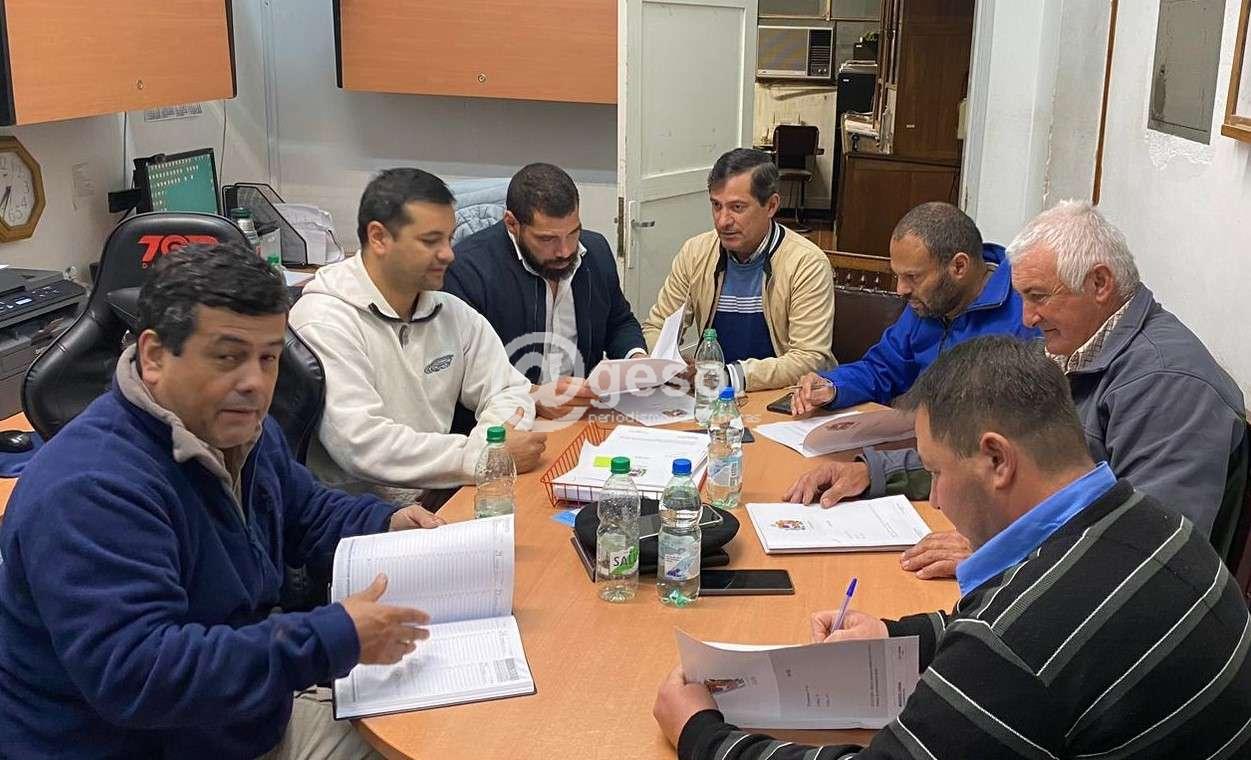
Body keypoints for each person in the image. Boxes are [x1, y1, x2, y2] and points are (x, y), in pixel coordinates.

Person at [655, 336, 1251, 760]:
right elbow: (1057, 638)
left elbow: (1018, 647)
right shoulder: (1154, 524)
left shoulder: (1015, 643)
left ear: (996, 459)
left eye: (937, 472)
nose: (935, 498)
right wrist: (899, 637)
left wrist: (703, 735)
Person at [0, 243, 447, 759]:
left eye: (268, 358)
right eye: (228, 357)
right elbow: (140, 676)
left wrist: (388, 522)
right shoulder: (92, 489)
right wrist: (331, 638)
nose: (255, 383)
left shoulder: (241, 432)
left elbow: (306, 512)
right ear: (154, 357)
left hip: (234, 724)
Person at [787, 201, 1248, 578]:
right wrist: (876, 472)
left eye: (1039, 296)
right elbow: (991, 452)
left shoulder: (1169, 385)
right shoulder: (1074, 347)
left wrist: (1007, 551)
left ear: (1100, 284)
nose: (1027, 318)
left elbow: (1150, 553)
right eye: (1023, 297)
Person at [289, 168, 546, 503]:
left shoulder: (450, 312)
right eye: (430, 241)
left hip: (438, 496)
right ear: (379, 237)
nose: (449, 254)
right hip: (361, 517)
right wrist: (481, 457)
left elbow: (509, 390)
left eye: (449, 239)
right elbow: (364, 446)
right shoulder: (324, 321)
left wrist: (492, 446)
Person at [790, 201, 1038, 415]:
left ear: (959, 267)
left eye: (913, 277)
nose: (901, 290)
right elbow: (882, 369)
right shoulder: (929, 303)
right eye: (897, 276)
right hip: (916, 440)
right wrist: (833, 386)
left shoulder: (1026, 314)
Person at [445, 162, 646, 419]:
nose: (565, 251)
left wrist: (636, 359)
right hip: (509, 419)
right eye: (547, 239)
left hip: (583, 413)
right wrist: (536, 396)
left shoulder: (595, 251)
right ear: (512, 223)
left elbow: (619, 322)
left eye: (573, 233)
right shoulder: (467, 270)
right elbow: (466, 374)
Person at [641, 148, 835, 392]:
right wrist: (669, 362)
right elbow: (656, 326)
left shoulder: (806, 263)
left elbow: (810, 358)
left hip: (779, 396)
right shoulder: (695, 252)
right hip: (710, 395)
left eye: (737, 207)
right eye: (716, 205)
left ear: (771, 205)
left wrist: (726, 375)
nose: (723, 221)